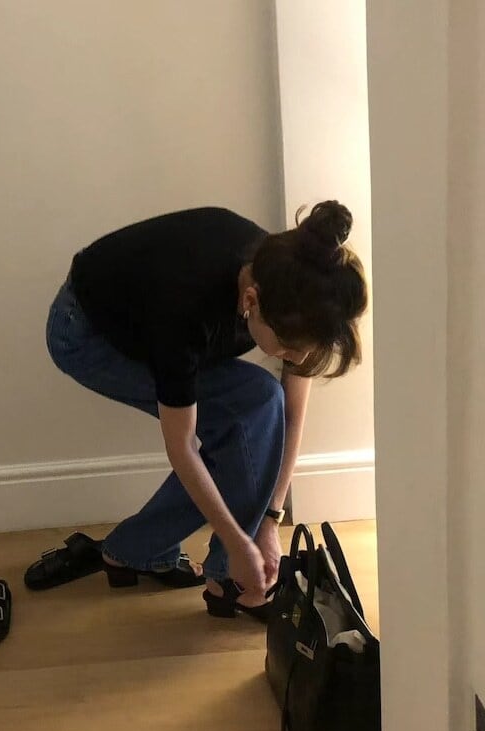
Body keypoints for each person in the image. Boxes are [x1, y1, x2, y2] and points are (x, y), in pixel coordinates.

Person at [24, 202, 368, 622]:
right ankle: (228, 578)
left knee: (260, 407)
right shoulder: (187, 312)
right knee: (255, 405)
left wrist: (268, 521)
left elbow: (291, 415)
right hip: (84, 334)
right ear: (250, 301)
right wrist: (238, 543)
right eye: (288, 348)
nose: (295, 359)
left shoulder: (292, 281)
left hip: (153, 314)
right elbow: (181, 447)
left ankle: (139, 553)